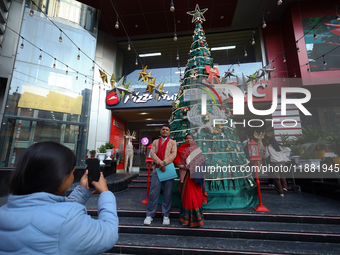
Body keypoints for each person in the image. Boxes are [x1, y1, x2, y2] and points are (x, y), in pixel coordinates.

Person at [0, 141, 119, 255]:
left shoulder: (4, 211)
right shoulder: (68, 219)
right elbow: (108, 233)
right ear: (60, 177)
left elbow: (52, 211)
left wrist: (82, 191)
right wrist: (105, 192)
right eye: (72, 173)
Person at [144, 124, 177, 225]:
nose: (165, 131)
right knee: (153, 193)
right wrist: (159, 163)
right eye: (163, 129)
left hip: (168, 169)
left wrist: (164, 163)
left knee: (167, 193)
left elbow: (174, 154)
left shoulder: (173, 142)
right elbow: (152, 153)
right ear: (160, 131)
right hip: (157, 170)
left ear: (169, 132)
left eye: (167, 130)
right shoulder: (155, 142)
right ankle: (149, 215)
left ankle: (166, 215)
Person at [174, 134, 208, 227]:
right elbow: (177, 161)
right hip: (187, 176)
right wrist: (186, 166)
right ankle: (186, 220)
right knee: (188, 197)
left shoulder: (197, 149)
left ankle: (197, 219)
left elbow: (202, 162)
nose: (188, 140)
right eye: (187, 138)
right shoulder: (181, 148)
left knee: (196, 197)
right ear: (185, 140)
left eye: (190, 138)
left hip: (196, 177)